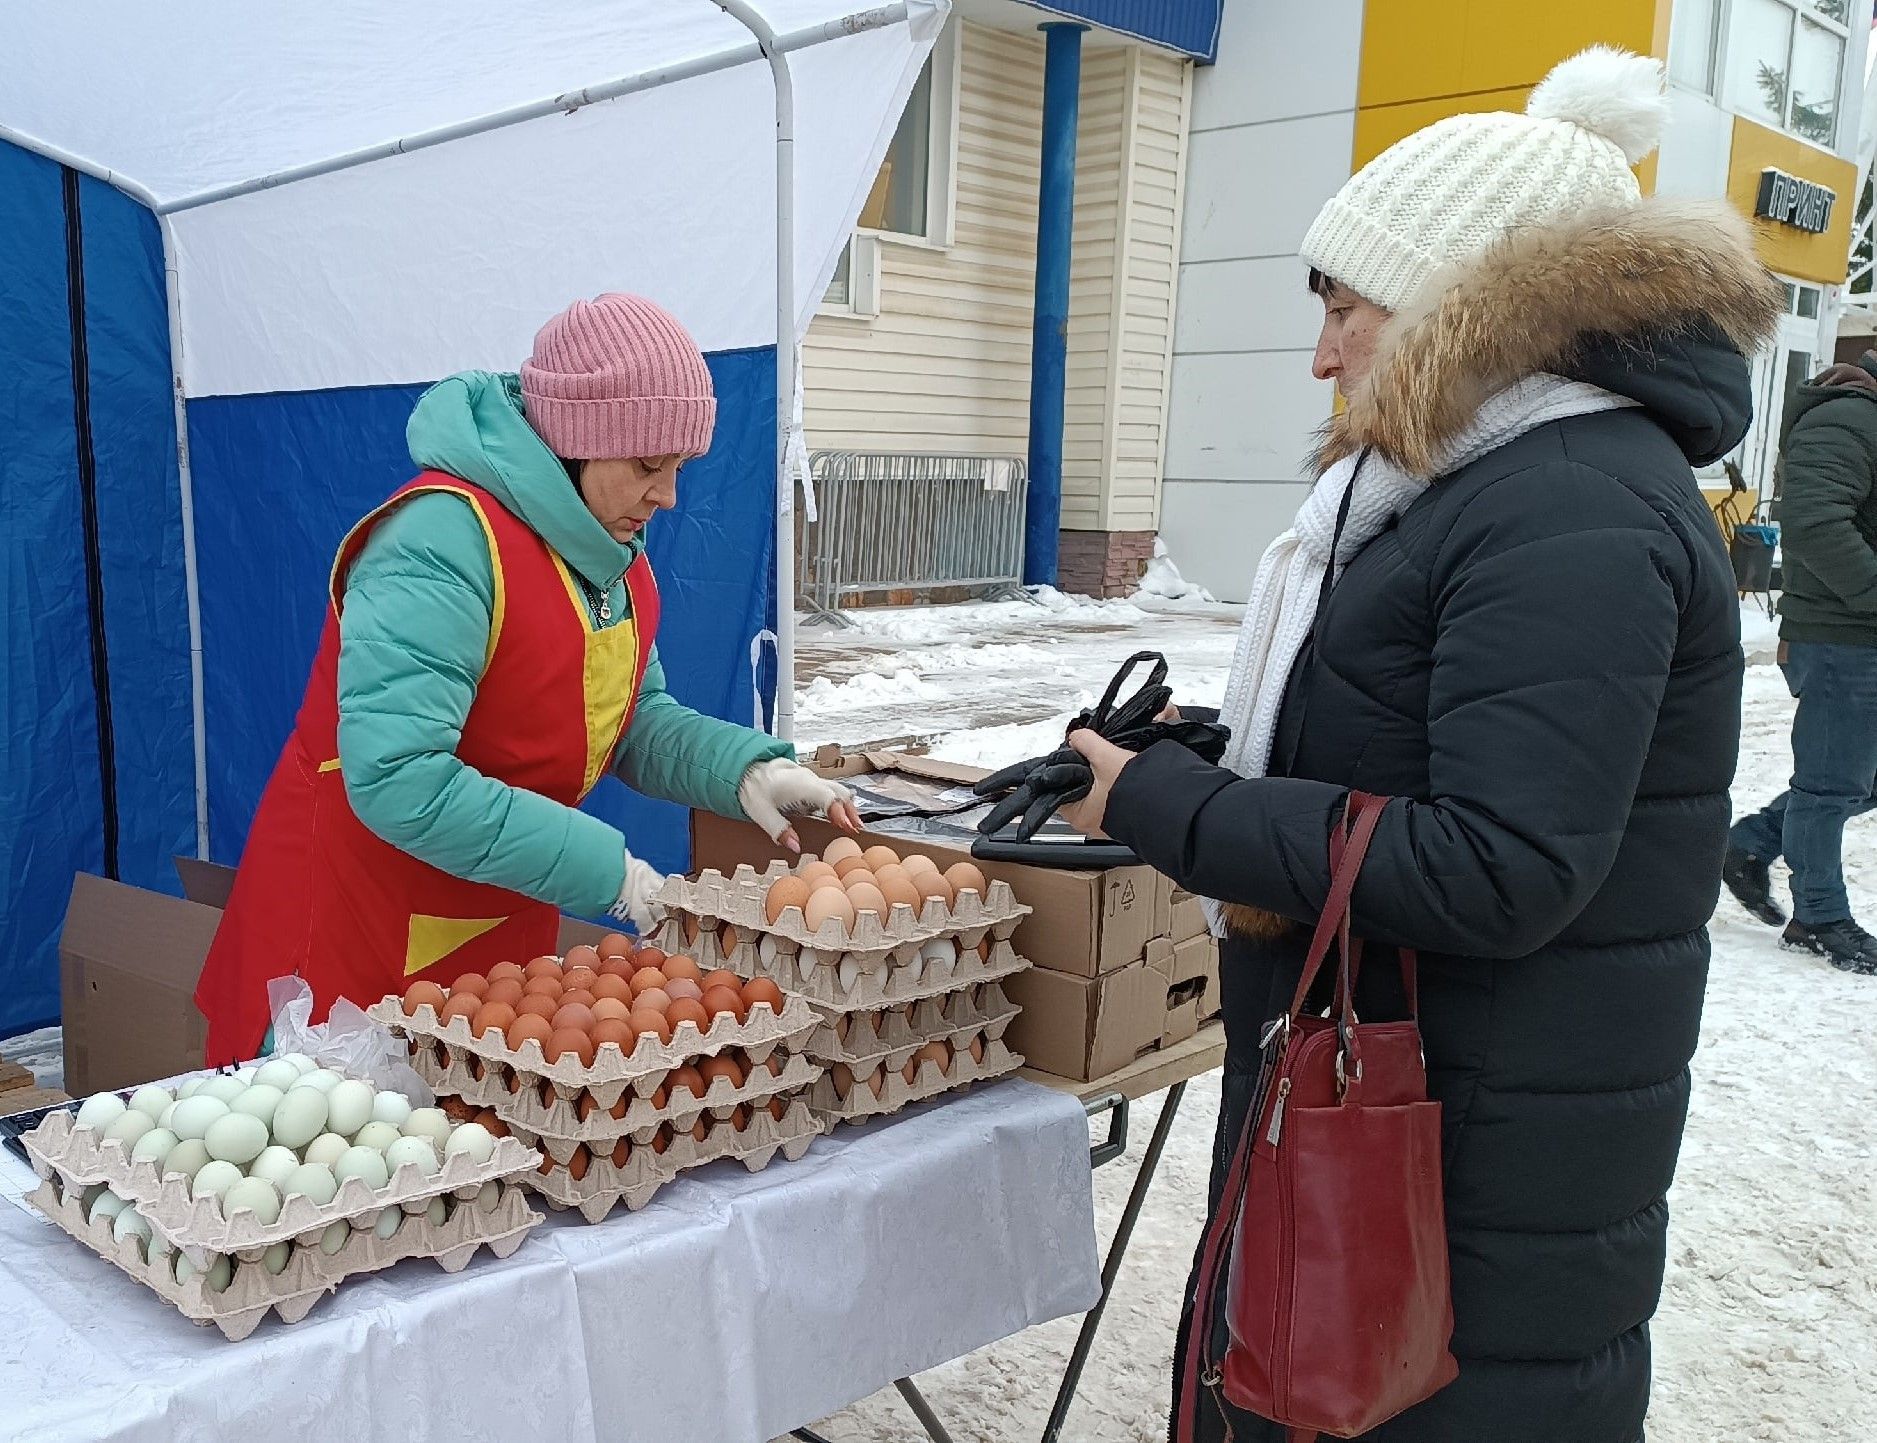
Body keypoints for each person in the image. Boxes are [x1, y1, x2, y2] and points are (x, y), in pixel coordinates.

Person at [1060, 49, 1779, 1443]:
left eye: (1344, 304)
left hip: (1476, 1161)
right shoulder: (1478, 486)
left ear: (1467, 308)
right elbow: (1412, 743)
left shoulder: (1568, 507)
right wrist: (1216, 755)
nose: (1321, 352)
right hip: (1407, 1108)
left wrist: (1176, 809)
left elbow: (1500, 861)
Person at [196, 294, 858, 1063]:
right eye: (649, 465)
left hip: (495, 927)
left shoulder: (611, 564)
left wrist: (742, 768)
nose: (669, 496)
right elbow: (398, 776)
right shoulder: (442, 540)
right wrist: (606, 869)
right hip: (354, 929)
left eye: (680, 468)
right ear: (576, 440)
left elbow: (631, 722)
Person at [1722, 356, 1877, 973]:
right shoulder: (1846, 418)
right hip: (1843, 635)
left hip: (1863, 633)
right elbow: (1814, 524)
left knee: (1859, 782)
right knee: (1831, 784)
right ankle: (1819, 917)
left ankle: (1751, 843)